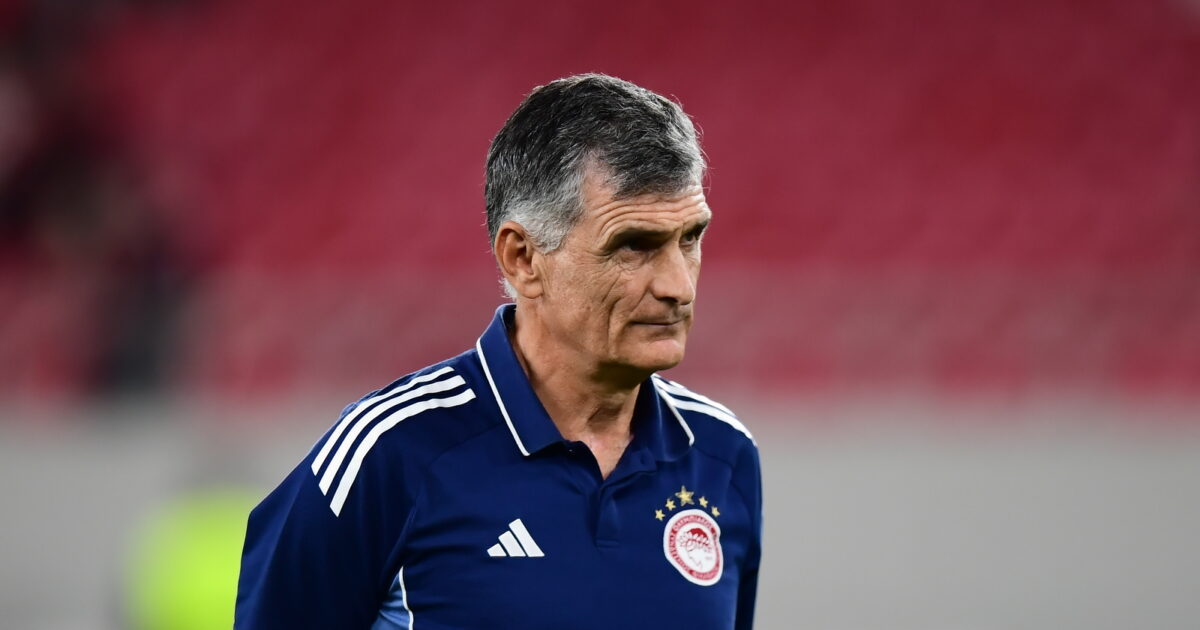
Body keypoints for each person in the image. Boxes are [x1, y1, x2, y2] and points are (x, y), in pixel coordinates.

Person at [235, 73, 762, 629]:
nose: (679, 285)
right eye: (634, 246)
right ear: (523, 259)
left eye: (690, 239)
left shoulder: (723, 455)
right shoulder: (390, 453)